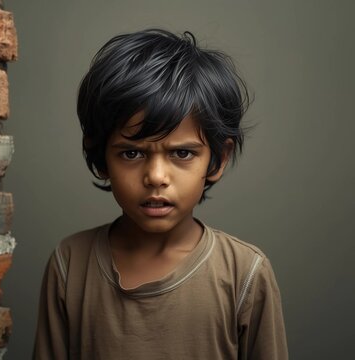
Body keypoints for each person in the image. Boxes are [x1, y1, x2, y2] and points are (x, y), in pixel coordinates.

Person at [33, 29, 287, 359]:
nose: (155, 177)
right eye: (131, 153)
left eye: (182, 154)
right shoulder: (70, 264)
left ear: (218, 159)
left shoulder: (245, 273)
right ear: (100, 157)